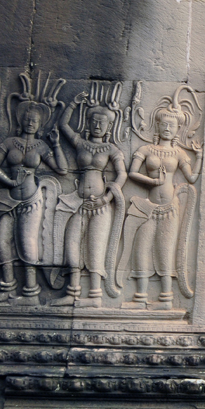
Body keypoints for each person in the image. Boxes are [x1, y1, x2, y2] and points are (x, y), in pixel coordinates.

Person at [0, 99, 68, 306]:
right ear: (20, 120)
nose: (30, 122)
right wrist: (10, 180)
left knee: (27, 243)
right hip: (8, 199)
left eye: (35, 120)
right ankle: (8, 288)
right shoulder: (8, 143)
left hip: (31, 200)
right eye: (27, 118)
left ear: (40, 124)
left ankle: (31, 293)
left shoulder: (41, 146)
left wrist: (57, 144)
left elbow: (62, 169)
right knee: (2, 241)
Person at [51, 89, 127, 308]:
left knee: (95, 248)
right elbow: (64, 126)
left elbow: (122, 174)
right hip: (78, 203)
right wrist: (73, 103)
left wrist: (107, 197)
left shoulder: (111, 148)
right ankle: (72, 292)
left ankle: (94, 295)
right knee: (71, 246)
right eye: (94, 121)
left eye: (102, 123)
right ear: (89, 122)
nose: (97, 125)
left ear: (108, 126)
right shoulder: (81, 143)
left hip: (101, 205)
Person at [126, 99, 201, 309]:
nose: (167, 128)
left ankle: (166, 298)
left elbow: (192, 178)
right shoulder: (146, 149)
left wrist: (200, 156)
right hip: (147, 206)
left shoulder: (179, 153)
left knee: (164, 250)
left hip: (170, 207)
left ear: (178, 129)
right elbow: (132, 172)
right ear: (157, 125)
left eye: (172, 125)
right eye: (164, 124)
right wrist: (152, 181)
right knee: (141, 248)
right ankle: (140, 296)